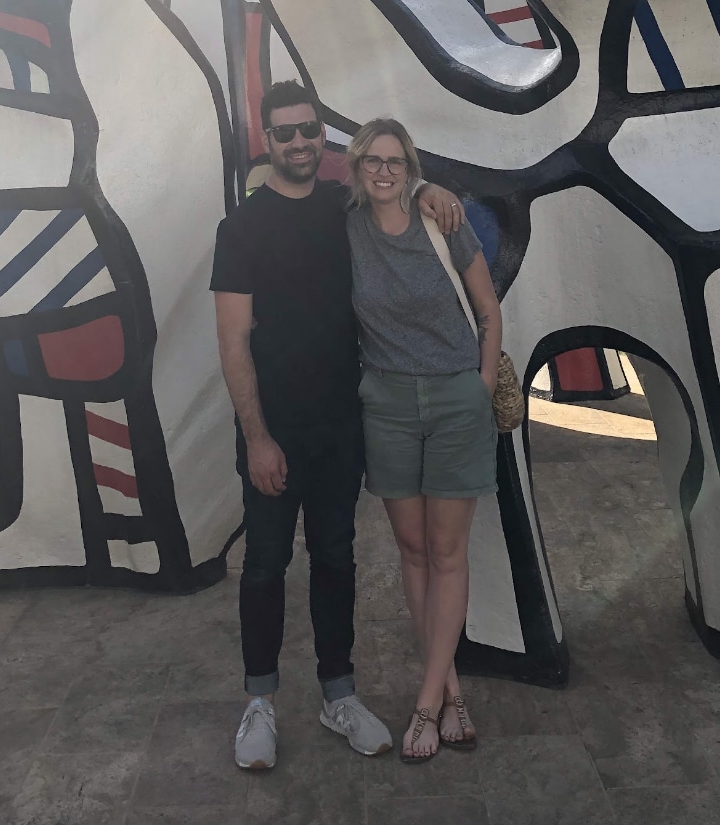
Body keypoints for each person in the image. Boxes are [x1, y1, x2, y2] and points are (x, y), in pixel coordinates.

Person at [211, 80, 463, 771]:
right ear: (267, 139)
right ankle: (259, 702)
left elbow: (393, 188)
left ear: (323, 137)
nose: (297, 141)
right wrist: (257, 436)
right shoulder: (241, 228)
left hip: (339, 426)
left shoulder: (341, 207)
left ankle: (338, 693)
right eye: (284, 131)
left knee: (336, 559)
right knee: (264, 565)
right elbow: (232, 341)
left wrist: (428, 190)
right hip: (272, 431)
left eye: (308, 130)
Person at [346, 116, 502, 763]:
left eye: (395, 161)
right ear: (357, 169)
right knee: (411, 549)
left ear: (410, 168)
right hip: (385, 400)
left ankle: (425, 704)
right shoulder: (347, 228)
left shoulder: (442, 221)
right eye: (372, 161)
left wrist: (481, 387)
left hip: (454, 396)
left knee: (447, 552)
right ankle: (450, 689)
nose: (383, 171)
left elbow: (489, 311)